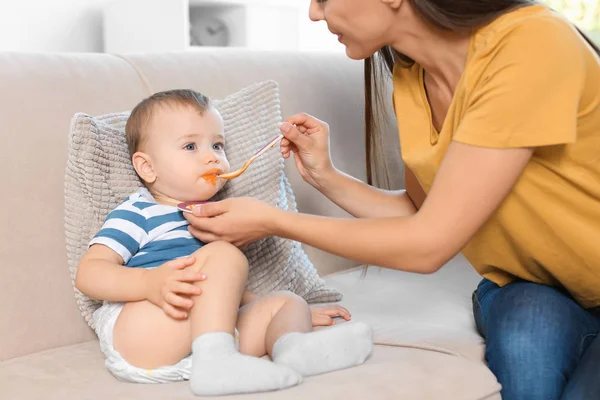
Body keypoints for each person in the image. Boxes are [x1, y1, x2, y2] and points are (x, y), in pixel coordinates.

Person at [183, 1, 600, 399]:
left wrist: (274, 221)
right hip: (536, 288)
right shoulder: (411, 78)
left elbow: (429, 245)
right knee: (528, 364)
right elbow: (419, 213)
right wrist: (326, 176)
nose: (313, 13)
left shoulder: (532, 43)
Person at [74, 89, 373, 397]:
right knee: (223, 254)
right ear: (147, 167)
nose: (212, 156)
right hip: (143, 329)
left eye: (217, 145)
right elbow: (89, 273)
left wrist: (286, 319)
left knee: (287, 301)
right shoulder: (139, 212)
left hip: (198, 337)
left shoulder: (215, 219)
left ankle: (294, 347)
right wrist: (149, 283)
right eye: (190, 146)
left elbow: (222, 290)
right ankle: (217, 361)